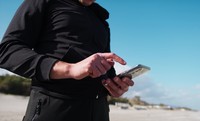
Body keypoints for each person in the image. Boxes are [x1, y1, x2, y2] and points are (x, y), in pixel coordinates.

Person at [0, 0, 134, 121]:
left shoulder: (101, 21)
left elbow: (105, 66)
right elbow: (8, 51)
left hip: (100, 110)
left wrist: (114, 85)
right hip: (54, 105)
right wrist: (70, 69)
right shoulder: (45, 2)